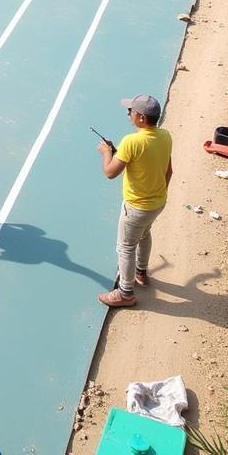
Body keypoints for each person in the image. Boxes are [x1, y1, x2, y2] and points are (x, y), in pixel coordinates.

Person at [96, 94, 172, 308]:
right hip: (157, 203)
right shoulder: (165, 136)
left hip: (136, 207)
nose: (128, 114)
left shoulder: (131, 141)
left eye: (130, 111)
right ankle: (141, 272)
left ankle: (125, 293)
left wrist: (105, 153)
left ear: (140, 117)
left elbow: (110, 173)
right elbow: (167, 169)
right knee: (145, 234)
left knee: (126, 247)